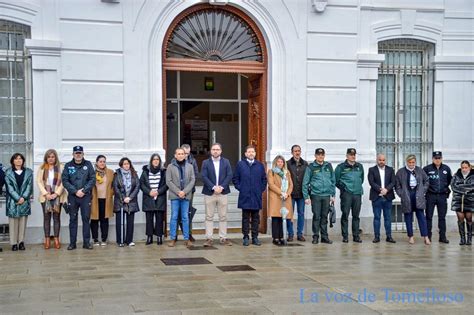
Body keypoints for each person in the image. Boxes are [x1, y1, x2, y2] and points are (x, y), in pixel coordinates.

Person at [62, 146, 96, 250]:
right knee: (73, 219)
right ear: (73, 154)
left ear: (83, 154)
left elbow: (92, 179)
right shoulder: (68, 166)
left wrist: (83, 190)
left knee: (86, 219)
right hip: (73, 197)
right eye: (76, 153)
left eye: (80, 153)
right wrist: (75, 191)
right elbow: (65, 180)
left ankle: (86, 243)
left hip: (85, 196)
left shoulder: (88, 164)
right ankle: (72, 243)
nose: (78, 155)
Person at [233, 145, 267, 246]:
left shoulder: (260, 165)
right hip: (245, 195)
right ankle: (246, 236)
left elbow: (264, 179)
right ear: (245, 154)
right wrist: (241, 188)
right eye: (249, 152)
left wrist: (260, 189)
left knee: (256, 217)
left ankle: (255, 237)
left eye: (252, 152)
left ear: (255, 154)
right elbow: (235, 179)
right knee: (245, 218)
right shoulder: (240, 165)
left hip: (256, 195)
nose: (251, 153)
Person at [201, 143, 233, 247]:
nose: (215, 151)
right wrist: (214, 187)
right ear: (210, 151)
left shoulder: (226, 162)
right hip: (210, 193)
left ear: (221, 151)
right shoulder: (205, 162)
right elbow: (204, 176)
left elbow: (229, 175)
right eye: (213, 149)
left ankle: (223, 238)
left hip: (223, 192)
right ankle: (209, 238)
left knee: (223, 216)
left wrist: (221, 187)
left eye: (217, 149)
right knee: (209, 216)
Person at [395, 154, 430, 245]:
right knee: (408, 217)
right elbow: (397, 185)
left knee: (421, 217)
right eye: (410, 162)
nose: (411, 164)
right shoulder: (401, 172)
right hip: (407, 194)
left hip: (418, 194)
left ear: (415, 162)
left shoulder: (419, 170)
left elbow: (426, 180)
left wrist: (423, 190)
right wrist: (401, 194)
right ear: (407, 162)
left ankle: (426, 237)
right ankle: (410, 236)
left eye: (413, 162)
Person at [302, 148, 335, 245]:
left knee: (324, 216)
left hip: (326, 195)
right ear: (315, 156)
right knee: (316, 216)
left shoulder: (328, 166)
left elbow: (333, 181)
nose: (320, 156)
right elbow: (305, 183)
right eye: (318, 155)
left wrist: (333, 194)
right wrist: (306, 196)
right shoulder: (311, 167)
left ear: (324, 156)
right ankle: (315, 236)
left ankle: (324, 237)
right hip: (315, 195)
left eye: (322, 155)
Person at [36, 149, 67, 249]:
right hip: (46, 197)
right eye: (49, 157)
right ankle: (47, 240)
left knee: (56, 218)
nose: (51, 159)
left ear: (55, 157)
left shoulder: (61, 167)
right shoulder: (41, 168)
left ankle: (57, 240)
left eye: (53, 157)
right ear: (46, 157)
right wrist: (46, 194)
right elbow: (39, 182)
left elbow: (64, 181)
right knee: (46, 218)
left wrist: (57, 193)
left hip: (58, 196)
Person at [166, 148, 195, 248]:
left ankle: (187, 239)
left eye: (182, 154)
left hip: (186, 196)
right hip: (175, 196)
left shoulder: (190, 166)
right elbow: (168, 181)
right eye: (179, 154)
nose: (181, 155)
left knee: (185, 217)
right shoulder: (170, 166)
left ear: (185, 155)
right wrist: (178, 192)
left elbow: (192, 180)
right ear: (175, 155)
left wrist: (184, 192)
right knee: (174, 217)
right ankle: (173, 238)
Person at [4, 153, 33, 251]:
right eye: (16, 159)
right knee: (13, 223)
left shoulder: (28, 172)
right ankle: (13, 244)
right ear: (13, 161)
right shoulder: (8, 172)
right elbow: (9, 187)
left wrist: (23, 198)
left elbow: (29, 186)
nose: (18, 160)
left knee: (23, 222)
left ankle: (21, 242)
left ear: (23, 161)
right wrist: (17, 198)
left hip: (24, 201)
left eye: (20, 159)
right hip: (12, 201)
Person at [335, 148, 364, 243]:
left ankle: (356, 236)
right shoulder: (341, 167)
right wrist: (344, 189)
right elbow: (336, 180)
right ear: (347, 156)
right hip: (346, 195)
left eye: (354, 155)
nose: (353, 156)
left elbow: (361, 179)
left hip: (357, 194)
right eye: (351, 155)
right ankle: (345, 236)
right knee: (345, 215)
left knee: (356, 216)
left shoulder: (359, 166)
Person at [423, 151, 452, 243]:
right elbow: (423, 182)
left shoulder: (446, 168)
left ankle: (442, 237)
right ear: (432, 159)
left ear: (442, 158)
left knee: (442, 217)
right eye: (436, 158)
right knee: (428, 217)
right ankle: (428, 237)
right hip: (430, 196)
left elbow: (449, 181)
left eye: (439, 158)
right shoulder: (427, 169)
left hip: (442, 196)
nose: (437, 160)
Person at [368, 154, 396, 243]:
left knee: (388, 217)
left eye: (383, 160)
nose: (381, 162)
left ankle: (389, 236)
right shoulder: (372, 170)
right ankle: (377, 237)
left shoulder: (390, 170)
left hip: (388, 197)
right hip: (376, 197)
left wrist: (386, 189)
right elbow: (371, 182)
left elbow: (393, 182)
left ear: (385, 161)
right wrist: (380, 189)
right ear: (377, 160)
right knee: (377, 217)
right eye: (380, 160)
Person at [140, 153, 168, 246]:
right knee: (149, 219)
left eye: (157, 160)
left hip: (160, 197)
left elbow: (166, 184)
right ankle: (149, 237)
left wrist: (158, 191)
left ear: (159, 161)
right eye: (154, 159)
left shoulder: (164, 171)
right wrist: (149, 192)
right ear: (151, 161)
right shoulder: (145, 171)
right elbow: (142, 184)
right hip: (149, 197)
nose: (156, 161)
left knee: (159, 218)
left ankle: (159, 236)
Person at [113, 157, 140, 247]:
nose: (126, 165)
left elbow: (137, 187)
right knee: (119, 222)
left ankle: (129, 240)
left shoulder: (134, 174)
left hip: (131, 201)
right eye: (124, 164)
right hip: (120, 201)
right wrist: (123, 198)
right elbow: (116, 187)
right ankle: (120, 241)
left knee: (130, 222)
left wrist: (130, 197)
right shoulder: (117, 174)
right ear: (121, 165)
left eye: (128, 164)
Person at [267, 155, 293, 245]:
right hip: (276, 197)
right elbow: (271, 184)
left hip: (285, 197)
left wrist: (287, 193)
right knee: (276, 218)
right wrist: (281, 192)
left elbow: (291, 185)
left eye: (281, 162)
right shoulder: (271, 172)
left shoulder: (287, 172)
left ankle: (282, 237)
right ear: (275, 163)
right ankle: (275, 237)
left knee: (283, 217)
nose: (280, 163)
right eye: (278, 162)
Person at [91, 155, 114, 246]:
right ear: (96, 162)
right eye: (100, 161)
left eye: (104, 161)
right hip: (95, 199)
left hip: (106, 199)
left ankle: (104, 239)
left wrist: (112, 193)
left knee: (104, 219)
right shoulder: (92, 172)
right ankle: (95, 239)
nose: (102, 163)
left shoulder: (110, 172)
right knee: (94, 219)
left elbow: (114, 185)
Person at [286, 145, 308, 242]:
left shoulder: (305, 164)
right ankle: (290, 234)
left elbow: (308, 179)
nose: (297, 153)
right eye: (295, 151)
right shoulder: (287, 164)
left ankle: (300, 234)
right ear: (292, 152)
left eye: (299, 151)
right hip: (291, 193)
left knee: (301, 214)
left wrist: (307, 193)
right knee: (289, 214)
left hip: (302, 194)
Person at [178, 143, 199, 242]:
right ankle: (176, 235)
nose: (186, 155)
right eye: (184, 153)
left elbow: (195, 176)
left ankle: (189, 233)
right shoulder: (175, 161)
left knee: (188, 212)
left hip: (190, 191)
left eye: (188, 153)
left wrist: (187, 189)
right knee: (177, 213)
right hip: (177, 192)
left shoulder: (192, 161)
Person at [451, 160, 473, 245]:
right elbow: (453, 186)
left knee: (469, 219)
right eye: (462, 167)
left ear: (469, 167)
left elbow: (472, 186)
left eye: (466, 167)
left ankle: (469, 238)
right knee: (460, 219)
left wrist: (461, 188)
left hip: (470, 201)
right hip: (458, 201)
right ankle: (462, 238)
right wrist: (465, 189)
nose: (464, 169)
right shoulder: (456, 176)